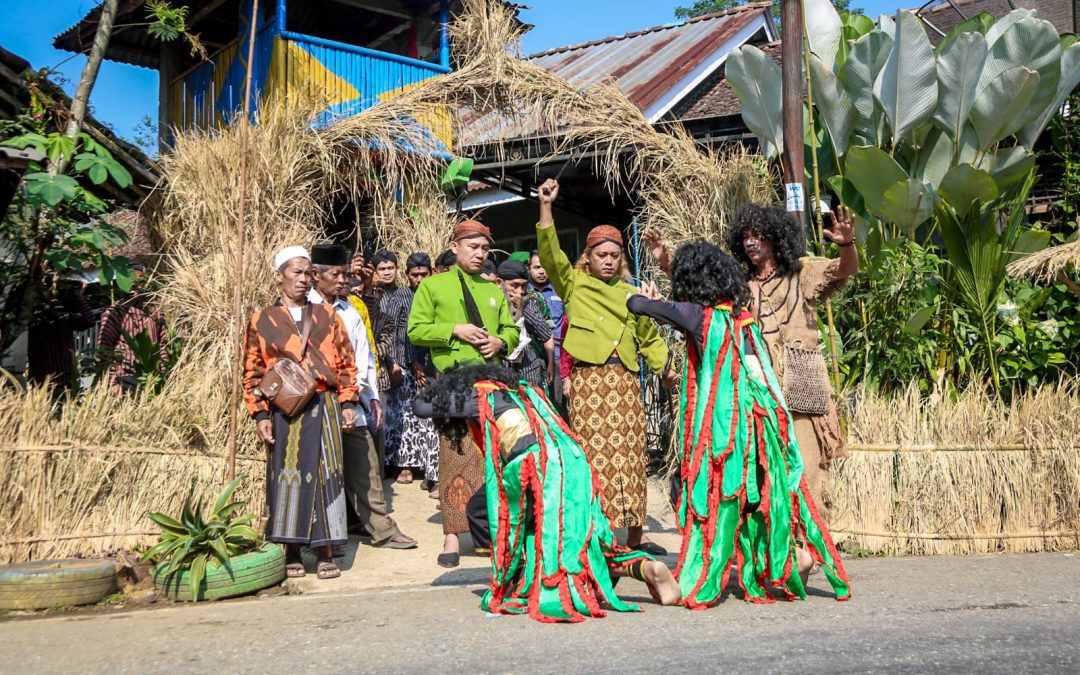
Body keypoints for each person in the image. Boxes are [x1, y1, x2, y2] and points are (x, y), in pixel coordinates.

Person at [627, 241, 851, 606]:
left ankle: (703, 573)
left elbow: (636, 305)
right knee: (761, 500)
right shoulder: (741, 319)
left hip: (730, 431)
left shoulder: (699, 317)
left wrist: (649, 297)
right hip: (764, 425)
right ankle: (796, 558)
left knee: (721, 499)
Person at [414, 363, 681, 622]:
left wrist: (438, 388)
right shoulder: (520, 391)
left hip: (540, 471)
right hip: (574, 466)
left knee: (537, 542)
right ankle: (646, 569)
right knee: (580, 543)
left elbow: (420, 407)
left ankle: (523, 575)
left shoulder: (478, 394)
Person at [644, 203, 857, 514]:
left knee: (805, 468)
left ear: (775, 237)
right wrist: (667, 261)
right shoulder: (740, 283)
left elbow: (845, 269)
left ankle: (806, 546)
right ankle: (771, 547)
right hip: (754, 392)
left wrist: (847, 244)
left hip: (799, 389)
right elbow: (701, 286)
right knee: (760, 472)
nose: (750, 241)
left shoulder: (803, 272)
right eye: (745, 236)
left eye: (758, 235)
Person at [536, 178, 673, 554]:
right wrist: (546, 206)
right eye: (602, 255)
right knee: (594, 456)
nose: (609, 260)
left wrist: (664, 371)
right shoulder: (573, 284)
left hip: (625, 380)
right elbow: (549, 254)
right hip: (588, 383)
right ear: (588, 257)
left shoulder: (633, 293)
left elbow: (648, 338)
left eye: (615, 255)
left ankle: (635, 536)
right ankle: (597, 535)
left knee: (631, 455)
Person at [407, 219, 520, 568]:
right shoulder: (434, 286)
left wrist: (501, 341)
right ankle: (452, 536)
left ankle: (494, 533)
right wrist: (455, 330)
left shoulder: (492, 290)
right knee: (454, 455)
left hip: (491, 381)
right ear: (455, 247)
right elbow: (415, 330)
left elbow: (511, 333)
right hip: (453, 383)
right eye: (473, 247)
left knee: (494, 457)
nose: (480, 254)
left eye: (485, 248)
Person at [242, 246, 359, 580]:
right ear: (279, 276)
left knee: (329, 475)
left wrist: (348, 402)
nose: (303, 279)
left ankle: (324, 551)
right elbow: (252, 370)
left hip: (325, 403)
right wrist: (260, 415)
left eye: (308, 273)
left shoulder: (327, 316)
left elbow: (346, 361)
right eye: (296, 272)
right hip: (286, 408)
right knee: (287, 474)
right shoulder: (262, 319)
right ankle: (292, 549)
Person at [309, 243, 417, 550]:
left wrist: (370, 396)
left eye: (345, 274)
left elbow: (366, 355)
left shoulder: (351, 310)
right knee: (322, 468)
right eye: (336, 274)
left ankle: (382, 528)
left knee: (366, 462)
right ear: (316, 275)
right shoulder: (303, 308)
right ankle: (324, 536)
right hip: (316, 400)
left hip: (353, 398)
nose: (343, 280)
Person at [381, 252, 441, 490]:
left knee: (430, 419)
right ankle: (404, 465)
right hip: (407, 364)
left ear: (431, 273)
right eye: (414, 275)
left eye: (423, 274)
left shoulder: (436, 293)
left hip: (433, 363)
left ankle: (430, 468)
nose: (419, 279)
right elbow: (399, 333)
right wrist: (407, 362)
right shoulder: (400, 297)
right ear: (407, 275)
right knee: (406, 416)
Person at [97, 263, 170, 393]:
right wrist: (112, 382)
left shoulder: (154, 313)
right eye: (128, 281)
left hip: (152, 376)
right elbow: (104, 347)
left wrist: (164, 373)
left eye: (139, 281)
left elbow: (163, 344)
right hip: (125, 376)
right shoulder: (115, 313)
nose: (133, 286)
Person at [27, 280, 97, 390]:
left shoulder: (63, 316)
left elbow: (89, 321)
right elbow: (90, 320)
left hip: (56, 378)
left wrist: (78, 297)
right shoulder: (59, 317)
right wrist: (78, 297)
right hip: (50, 378)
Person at [497, 259, 554, 392]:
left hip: (528, 371)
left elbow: (546, 333)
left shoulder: (528, 302)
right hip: (501, 372)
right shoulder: (491, 303)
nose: (520, 291)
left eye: (523, 286)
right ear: (499, 283)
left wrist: (522, 308)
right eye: (514, 285)